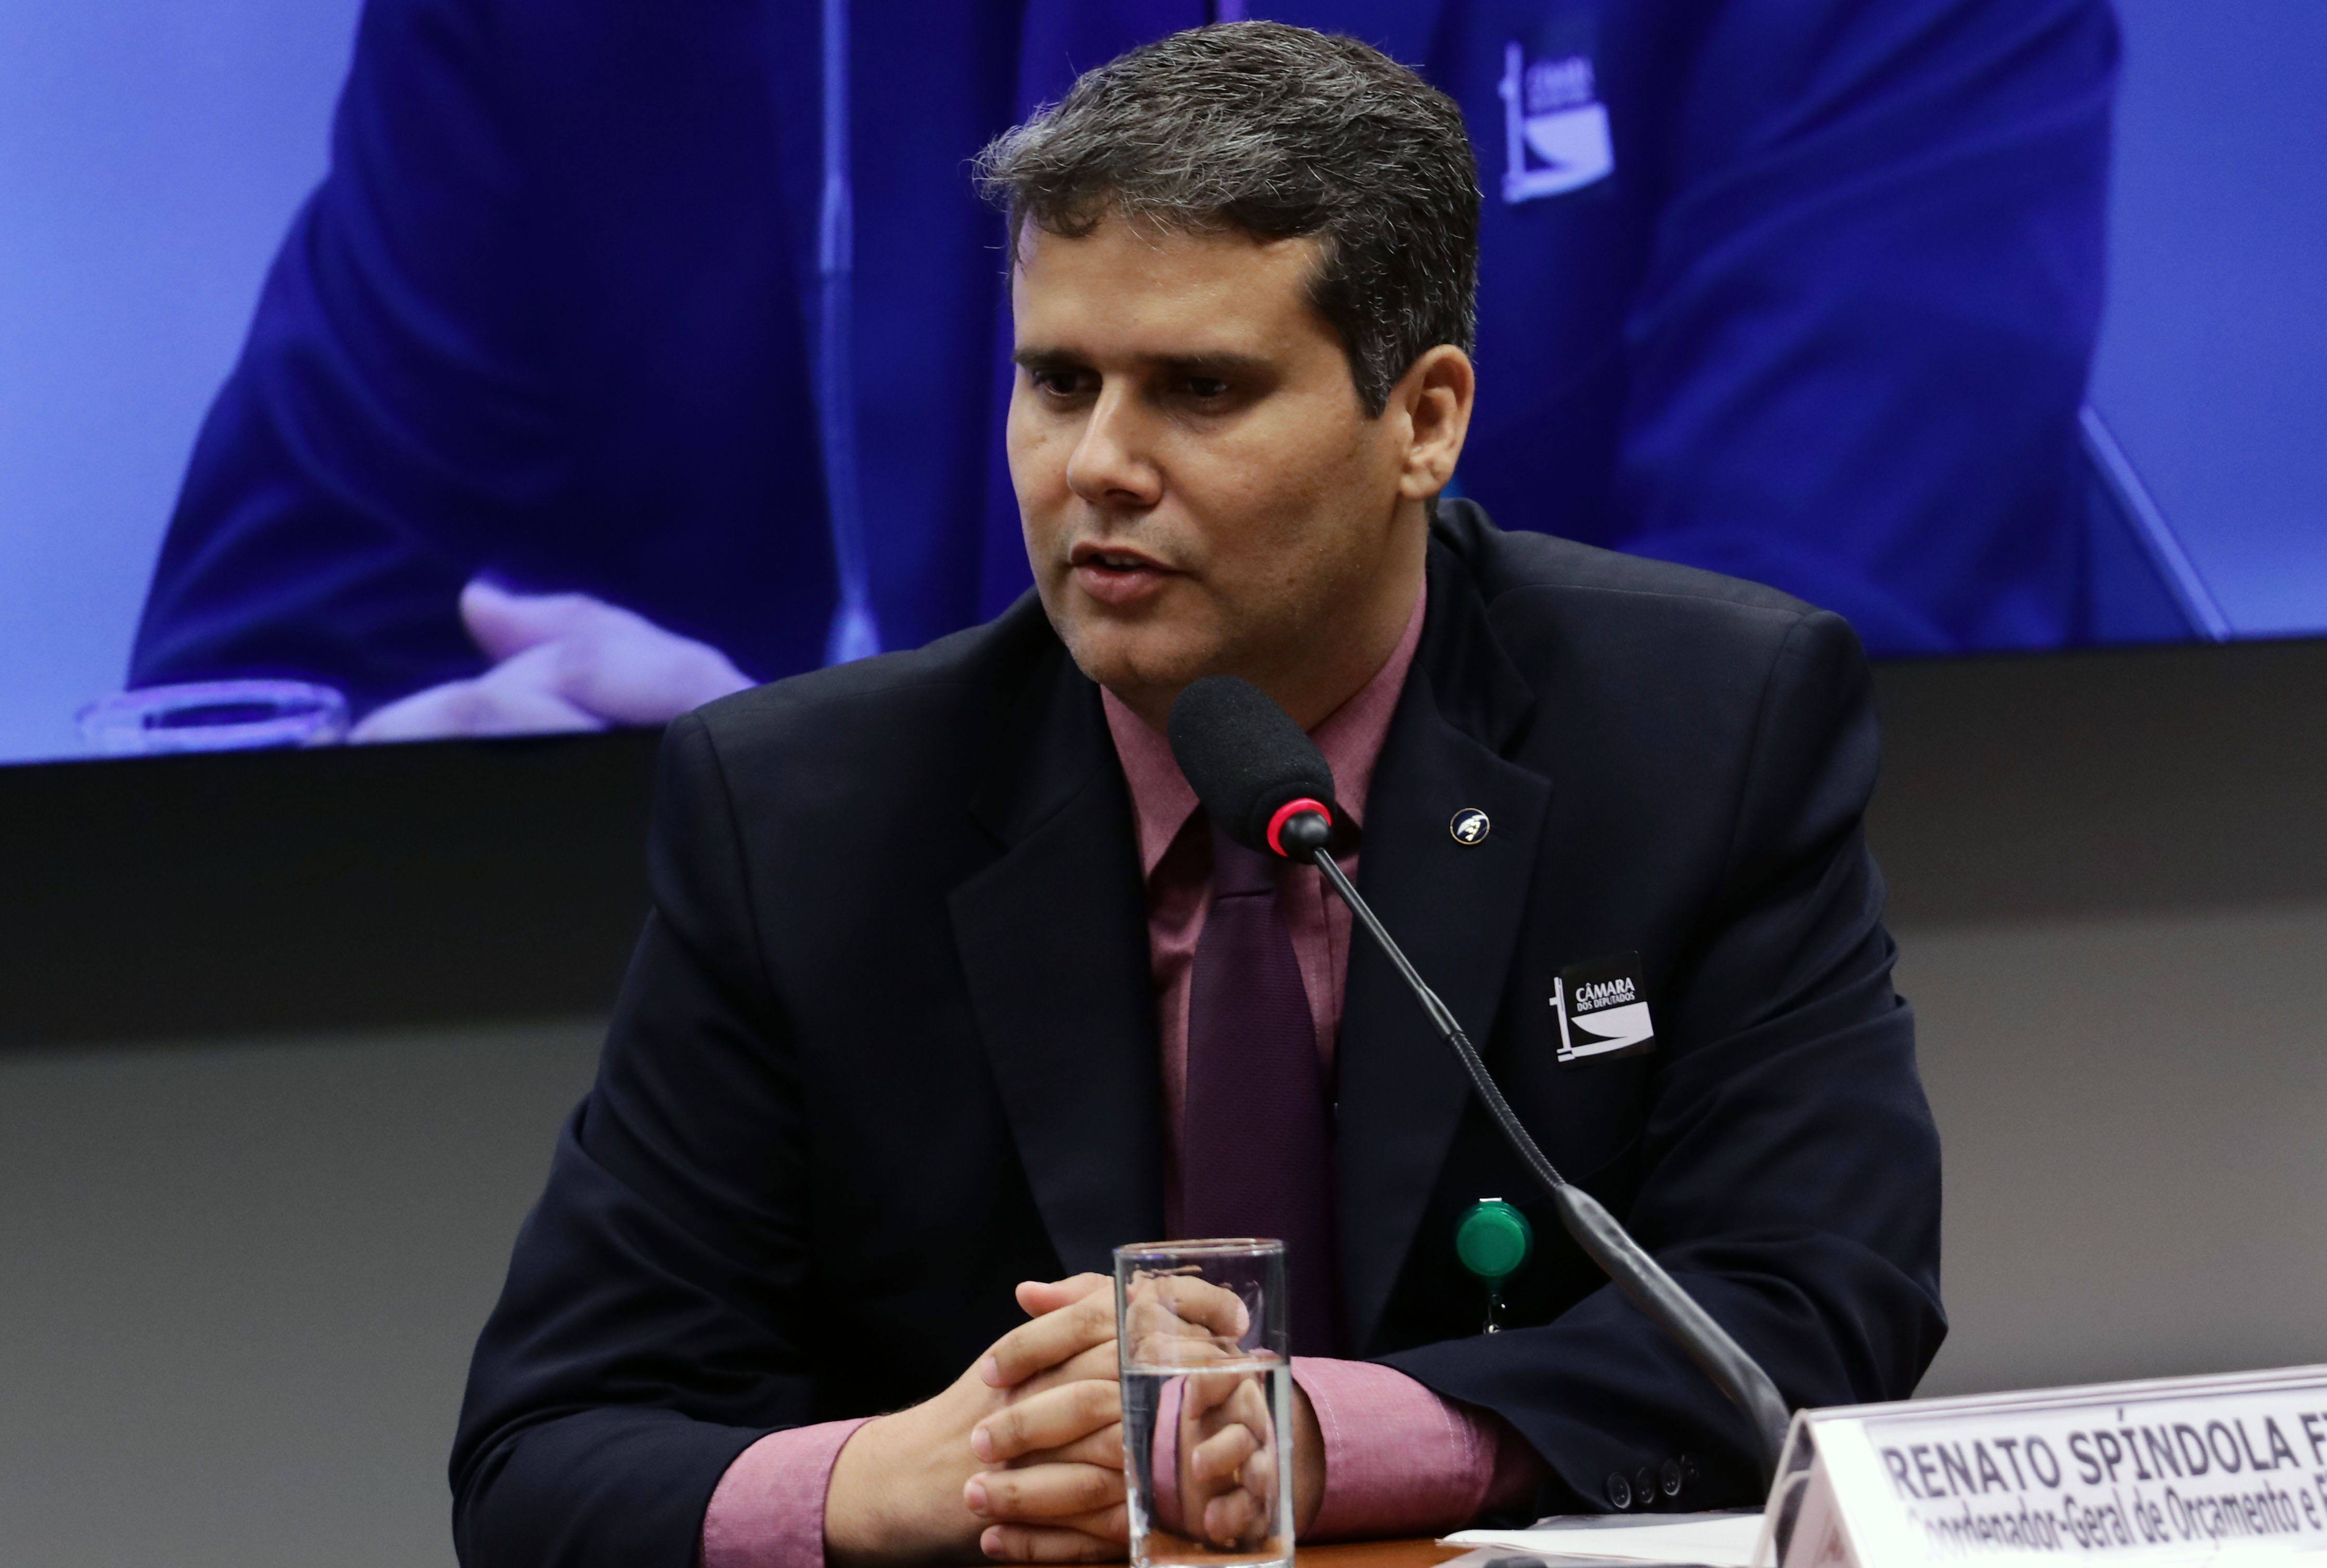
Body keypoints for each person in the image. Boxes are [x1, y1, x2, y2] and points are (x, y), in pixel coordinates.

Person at [450, 24, 1942, 1568]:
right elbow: (546, 1455)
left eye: (1200, 389)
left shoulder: (1702, 729)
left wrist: (1311, 1441)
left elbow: (1816, 1315)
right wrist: (918, 1475)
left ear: (1424, 420)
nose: (1098, 464)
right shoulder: (800, 815)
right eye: (1058, 382)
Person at [125, 0, 2115, 741]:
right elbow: (260, 677)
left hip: (1574, 1140)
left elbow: (1789, 699)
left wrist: (843, 854)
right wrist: (447, 787)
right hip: (769, 1196)